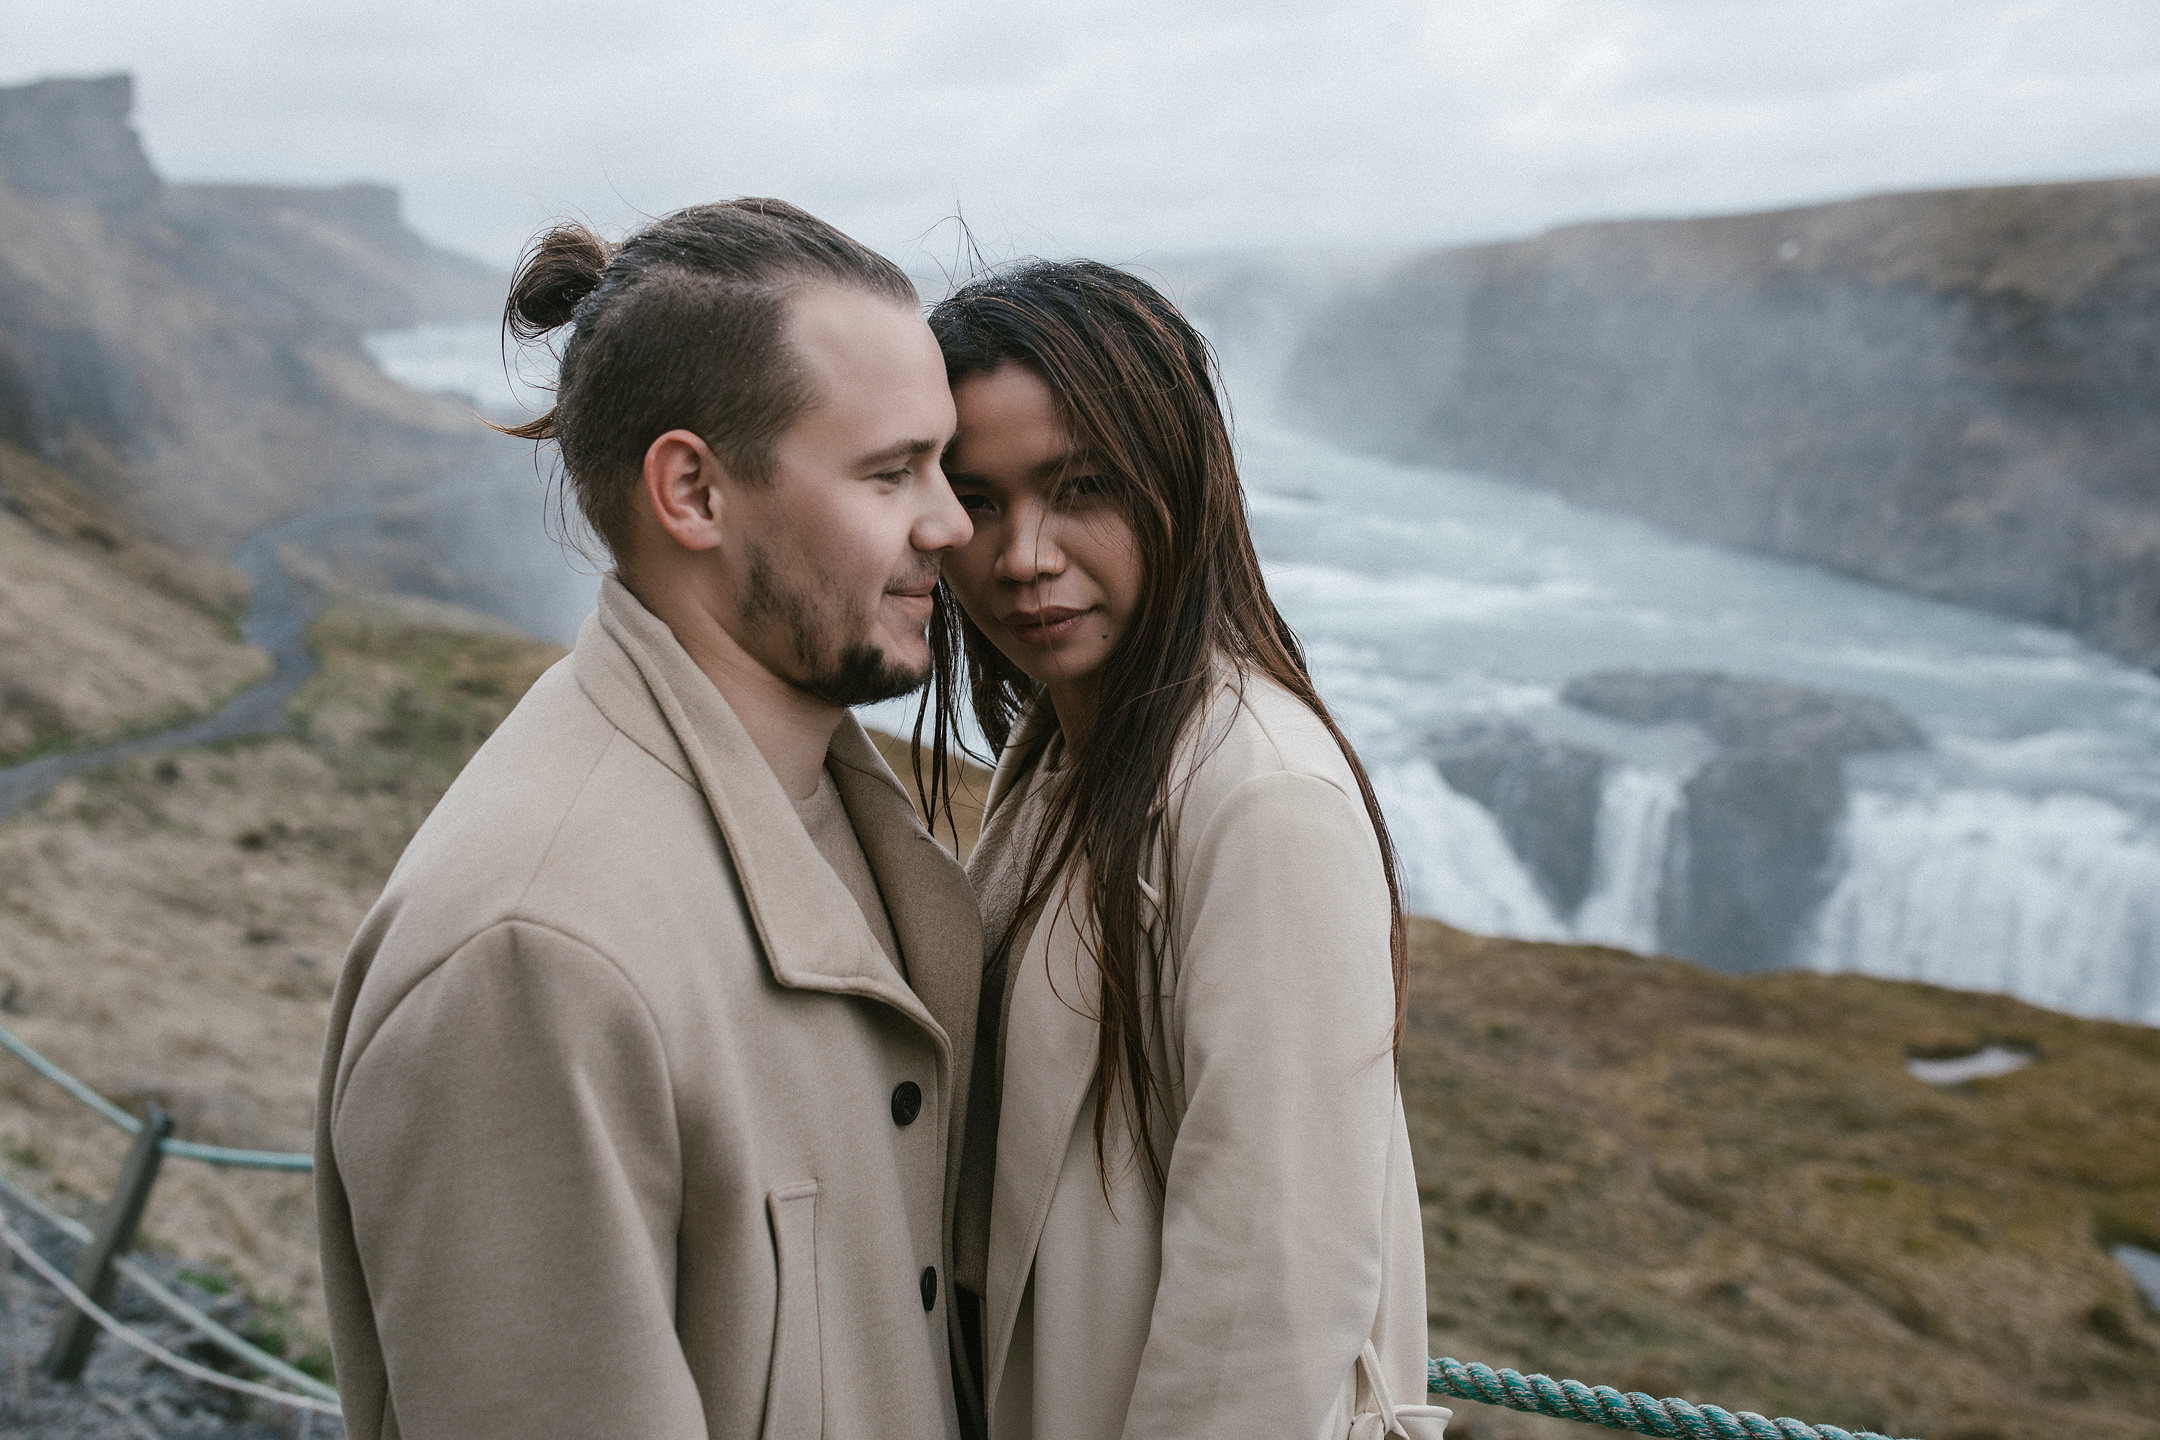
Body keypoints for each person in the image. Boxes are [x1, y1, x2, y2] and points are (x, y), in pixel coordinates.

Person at [314, 199, 985, 1439]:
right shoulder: (534, 955)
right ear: (693, 491)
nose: (952, 522)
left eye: (944, 466)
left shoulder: (835, 811)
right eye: (891, 472)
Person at [924, 261, 1449, 1440]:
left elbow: (1271, 1293)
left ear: (1179, 481)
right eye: (979, 500)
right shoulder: (1066, 753)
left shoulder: (1264, 799)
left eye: (1081, 488)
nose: (1023, 554)